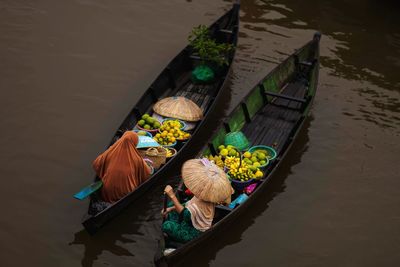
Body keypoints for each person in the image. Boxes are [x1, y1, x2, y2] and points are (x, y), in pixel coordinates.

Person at [161, 158, 233, 244]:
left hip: (194, 232)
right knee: (171, 206)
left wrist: (172, 195)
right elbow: (187, 205)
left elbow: (185, 215)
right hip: (190, 220)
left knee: (166, 226)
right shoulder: (203, 195)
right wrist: (170, 208)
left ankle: (174, 238)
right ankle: (173, 224)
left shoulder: (203, 203)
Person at [93, 131, 152, 203]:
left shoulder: (111, 151)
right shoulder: (136, 159)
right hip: (125, 194)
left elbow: (96, 163)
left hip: (107, 193)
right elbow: (147, 173)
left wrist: (104, 171)